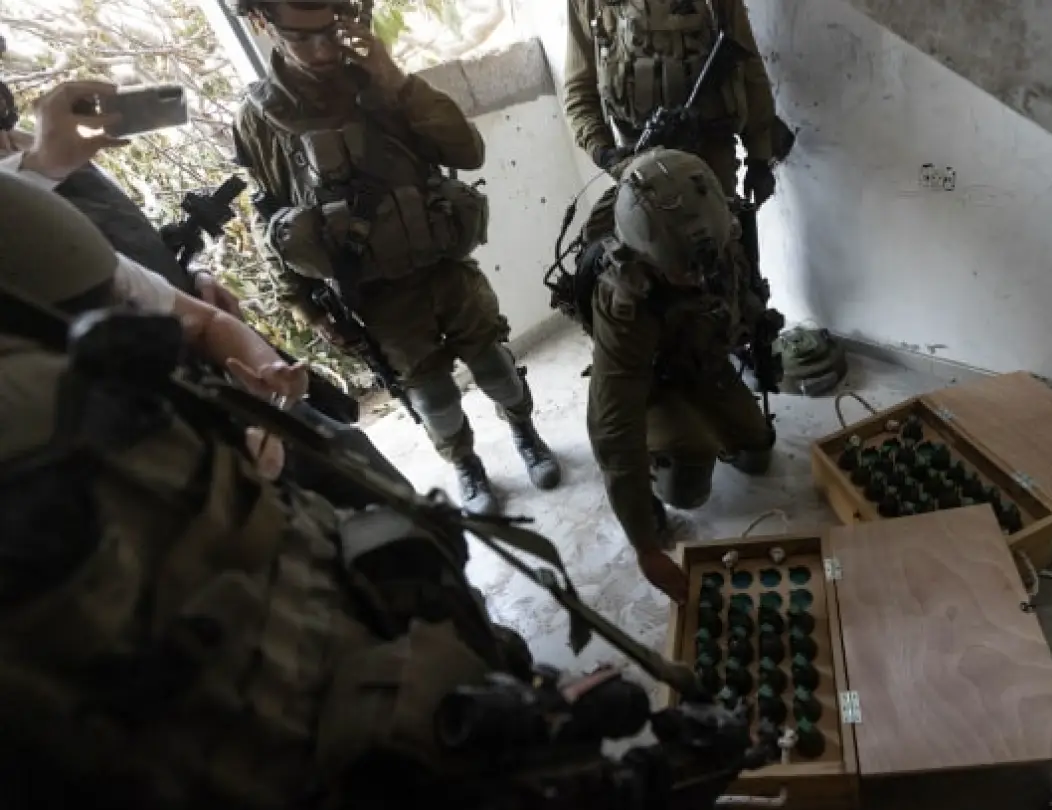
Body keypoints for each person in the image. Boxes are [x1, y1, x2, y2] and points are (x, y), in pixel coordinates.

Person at [0, 172, 765, 810]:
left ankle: (518, 467)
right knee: (444, 415)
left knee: (421, 537)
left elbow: (330, 604)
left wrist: (527, 704)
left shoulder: (57, 277)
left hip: (364, 643)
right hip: (328, 735)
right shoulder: (74, 580)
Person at [0, 76, 411, 504]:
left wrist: (192, 280)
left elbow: (138, 263)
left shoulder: (49, 152)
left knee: (376, 487)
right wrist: (42, 166)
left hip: (212, 370)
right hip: (143, 457)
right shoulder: (38, 170)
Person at [233, 0, 562, 516]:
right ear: (261, 25)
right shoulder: (260, 118)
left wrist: (394, 79)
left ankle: (527, 435)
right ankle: (466, 466)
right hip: (380, 294)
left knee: (496, 368)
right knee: (434, 400)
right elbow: (268, 218)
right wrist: (307, 309)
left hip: (445, 266)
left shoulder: (377, 80)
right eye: (301, 38)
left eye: (330, 33)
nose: (322, 51)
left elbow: (466, 151)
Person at [582, 149, 772, 603]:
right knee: (688, 483)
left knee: (757, 452)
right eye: (683, 270)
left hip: (700, 360)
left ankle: (702, 419)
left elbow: (738, 296)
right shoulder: (626, 303)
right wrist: (644, 546)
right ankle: (661, 463)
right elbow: (612, 423)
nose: (698, 277)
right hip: (652, 381)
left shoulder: (722, 228)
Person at [563, 0, 778, 202]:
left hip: (712, 151)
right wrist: (603, 153)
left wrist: (760, 156)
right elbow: (579, 90)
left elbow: (749, 66)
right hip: (640, 161)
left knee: (723, 233)